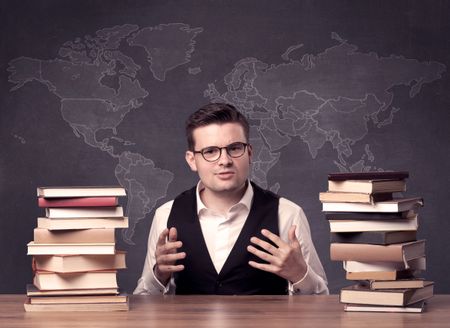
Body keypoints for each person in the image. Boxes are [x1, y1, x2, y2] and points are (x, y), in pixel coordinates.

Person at [134, 103, 328, 295]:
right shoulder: (166, 215)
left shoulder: (287, 214)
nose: (224, 160)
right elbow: (143, 301)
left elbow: (322, 302)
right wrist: (159, 274)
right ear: (192, 160)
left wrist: (300, 274)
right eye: (210, 151)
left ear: (249, 153)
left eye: (234, 148)